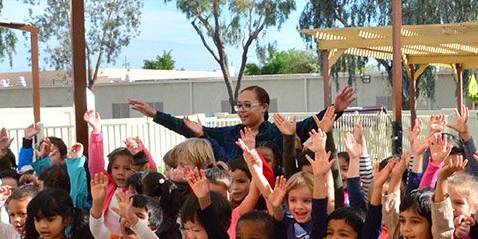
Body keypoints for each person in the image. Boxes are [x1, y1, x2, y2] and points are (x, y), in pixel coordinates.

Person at [129, 84, 356, 161]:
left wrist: (337, 108)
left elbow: (314, 123)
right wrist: (155, 114)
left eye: (248, 105)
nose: (242, 110)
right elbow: (186, 128)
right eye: (239, 105)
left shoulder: (279, 131)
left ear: (264, 107)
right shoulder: (230, 133)